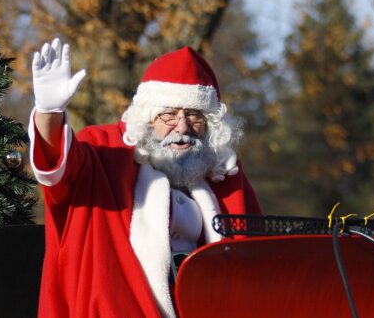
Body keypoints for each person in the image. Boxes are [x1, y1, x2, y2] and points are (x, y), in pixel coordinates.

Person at [29, 38, 262, 318]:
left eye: (194, 115)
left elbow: (259, 260)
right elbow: (55, 167)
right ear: (147, 119)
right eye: (168, 115)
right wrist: (49, 113)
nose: (182, 126)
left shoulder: (223, 175)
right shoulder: (106, 153)